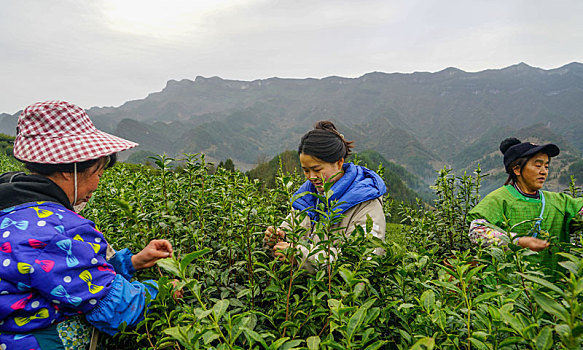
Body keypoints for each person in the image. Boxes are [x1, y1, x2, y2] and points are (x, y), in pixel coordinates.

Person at [0, 101, 174, 349]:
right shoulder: (54, 231)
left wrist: (132, 262)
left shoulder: (13, 207)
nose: (96, 185)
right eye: (98, 174)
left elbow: (63, 273)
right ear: (70, 169)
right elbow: (118, 309)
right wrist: (166, 290)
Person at [264, 121, 387, 272]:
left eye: (317, 169)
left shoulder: (366, 204)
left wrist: (299, 256)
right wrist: (276, 240)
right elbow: (287, 240)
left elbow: (364, 260)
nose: (311, 177)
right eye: (306, 170)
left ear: (339, 162)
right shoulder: (306, 198)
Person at [468, 137, 583, 269]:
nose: (544, 171)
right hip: (508, 285)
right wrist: (518, 241)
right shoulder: (499, 199)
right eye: (538, 165)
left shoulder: (558, 201)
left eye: (546, 166)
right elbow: (477, 232)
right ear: (517, 170)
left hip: (553, 284)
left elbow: (579, 212)